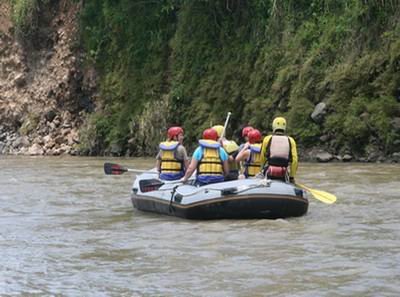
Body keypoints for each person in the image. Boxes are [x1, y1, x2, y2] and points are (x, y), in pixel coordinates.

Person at [260, 117, 298, 183]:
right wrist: (291, 177)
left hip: (269, 172)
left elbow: (262, 157)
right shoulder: (291, 140)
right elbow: (295, 161)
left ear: (273, 126)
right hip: (283, 173)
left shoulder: (267, 139)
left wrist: (261, 170)